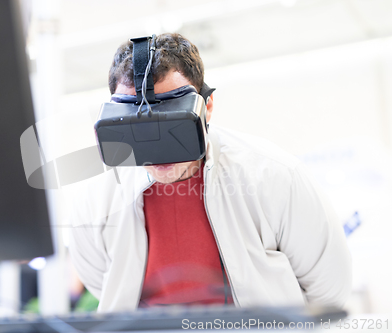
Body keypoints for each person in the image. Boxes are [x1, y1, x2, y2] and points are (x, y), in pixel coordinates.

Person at [68, 33, 352, 312]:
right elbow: (105, 283)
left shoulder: (274, 176)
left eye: (171, 124)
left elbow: (328, 290)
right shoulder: (96, 198)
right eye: (138, 128)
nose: (156, 147)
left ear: (208, 107)